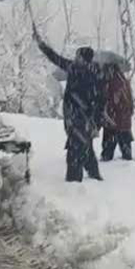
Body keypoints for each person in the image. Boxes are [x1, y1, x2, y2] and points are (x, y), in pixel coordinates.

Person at [34, 29, 105, 182]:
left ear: (84, 59)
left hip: (79, 119)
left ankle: (74, 184)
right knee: (86, 148)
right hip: (78, 119)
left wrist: (94, 121)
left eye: (78, 56)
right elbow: (55, 58)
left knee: (75, 152)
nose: (75, 57)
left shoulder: (89, 74)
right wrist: (42, 45)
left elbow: (99, 100)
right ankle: (94, 175)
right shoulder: (77, 68)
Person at [101, 62, 134, 161]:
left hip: (114, 117)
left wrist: (105, 111)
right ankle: (127, 155)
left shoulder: (112, 82)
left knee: (109, 138)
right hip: (124, 116)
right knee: (125, 137)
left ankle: (107, 156)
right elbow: (129, 98)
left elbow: (112, 100)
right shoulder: (123, 80)